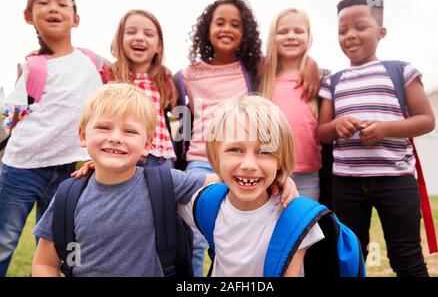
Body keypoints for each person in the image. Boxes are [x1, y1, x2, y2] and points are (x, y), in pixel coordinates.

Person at [31, 84, 297, 277]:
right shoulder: (68, 195)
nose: (115, 137)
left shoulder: (163, 182)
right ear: (82, 135)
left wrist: (279, 178)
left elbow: (229, 175)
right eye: (103, 127)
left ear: (147, 144)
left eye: (129, 131)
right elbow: (45, 263)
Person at [175, 0, 320, 276]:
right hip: (200, 160)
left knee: (265, 226)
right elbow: (179, 116)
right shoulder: (186, 75)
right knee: (196, 238)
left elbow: (289, 58)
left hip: (251, 156)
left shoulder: (254, 67)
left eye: (236, 24)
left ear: (247, 33)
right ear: (206, 28)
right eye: (220, 23)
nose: (227, 29)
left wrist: (310, 62)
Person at [317, 0, 435, 277]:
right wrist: (338, 125)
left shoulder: (401, 71)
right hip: (346, 184)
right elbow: (322, 132)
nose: (350, 36)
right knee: (350, 255)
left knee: (406, 256)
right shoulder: (331, 82)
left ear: (381, 32)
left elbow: (426, 120)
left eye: (360, 27)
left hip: (396, 180)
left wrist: (385, 129)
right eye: (342, 31)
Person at [0, 0, 104, 277]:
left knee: (58, 246)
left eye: (62, 2)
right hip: (22, 167)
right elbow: (12, 115)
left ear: (76, 17)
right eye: (43, 2)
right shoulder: (31, 65)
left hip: (69, 170)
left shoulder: (93, 61)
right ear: (28, 15)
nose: (53, 7)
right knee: (4, 240)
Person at [177, 95, 324, 276]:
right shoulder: (205, 203)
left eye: (264, 151)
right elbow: (154, 182)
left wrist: (280, 176)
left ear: (280, 160)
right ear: (216, 155)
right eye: (235, 150)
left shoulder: (296, 220)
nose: (249, 164)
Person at [259, 8, 323, 201]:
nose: (291, 36)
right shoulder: (263, 77)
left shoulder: (319, 78)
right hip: (269, 171)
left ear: (309, 36)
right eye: (283, 32)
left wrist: (311, 63)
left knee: (305, 226)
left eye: (298, 31)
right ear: (273, 36)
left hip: (308, 174)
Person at [100, 9, 177, 168]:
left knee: (160, 193)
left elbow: (177, 120)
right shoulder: (110, 76)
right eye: (131, 32)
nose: (140, 38)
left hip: (159, 155)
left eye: (148, 34)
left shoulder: (164, 80)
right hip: (122, 151)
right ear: (120, 40)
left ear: (158, 46)